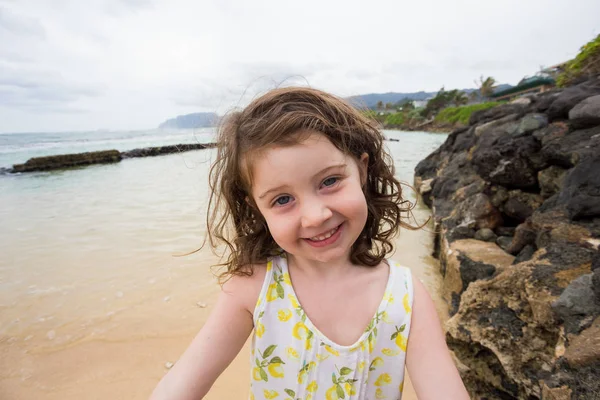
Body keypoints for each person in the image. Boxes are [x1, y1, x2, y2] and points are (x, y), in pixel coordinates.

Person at [150, 87, 469, 400]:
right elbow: (179, 385)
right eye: (283, 199)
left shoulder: (405, 297)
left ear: (361, 168)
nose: (315, 216)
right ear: (256, 208)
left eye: (329, 181)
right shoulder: (254, 288)